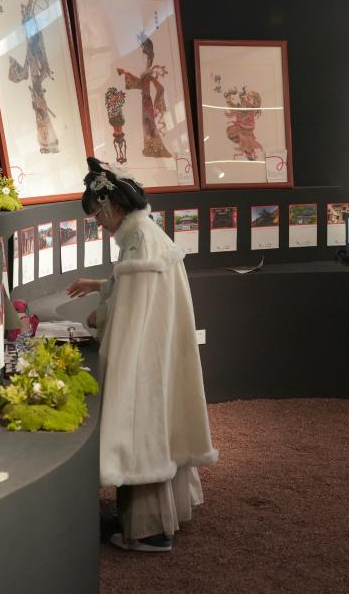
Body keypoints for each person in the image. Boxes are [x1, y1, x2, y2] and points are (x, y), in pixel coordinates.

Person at [66, 158, 218, 552]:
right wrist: (100, 286)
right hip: (161, 353)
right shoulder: (148, 235)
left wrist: (101, 317)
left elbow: (132, 310)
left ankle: (150, 530)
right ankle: (167, 515)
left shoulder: (138, 244)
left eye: (98, 215)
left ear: (112, 205)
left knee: (143, 431)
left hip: (144, 358)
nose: (99, 224)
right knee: (162, 428)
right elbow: (136, 289)